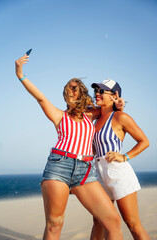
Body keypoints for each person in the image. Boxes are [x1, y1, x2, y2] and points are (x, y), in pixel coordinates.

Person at [15, 54, 124, 240]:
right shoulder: (59, 116)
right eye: (67, 89)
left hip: (86, 171)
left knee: (112, 221)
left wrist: (118, 105)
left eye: (74, 88)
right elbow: (40, 98)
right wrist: (20, 74)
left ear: (81, 91)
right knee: (55, 223)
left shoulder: (91, 114)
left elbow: (108, 107)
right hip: (59, 166)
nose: (70, 91)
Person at [90, 79, 150, 240]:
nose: (97, 93)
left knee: (132, 223)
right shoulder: (95, 119)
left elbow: (144, 141)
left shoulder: (120, 117)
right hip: (100, 174)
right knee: (99, 221)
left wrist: (125, 156)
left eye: (102, 91)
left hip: (118, 174)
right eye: (96, 90)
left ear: (114, 96)